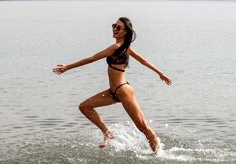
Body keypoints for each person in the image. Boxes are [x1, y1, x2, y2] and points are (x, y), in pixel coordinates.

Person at [53, 17, 171, 152]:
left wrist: (68, 67)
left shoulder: (117, 47)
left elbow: (92, 59)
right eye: (114, 26)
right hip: (113, 92)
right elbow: (143, 61)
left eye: (119, 27)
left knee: (143, 127)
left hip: (123, 90)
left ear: (126, 32)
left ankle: (159, 155)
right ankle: (107, 132)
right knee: (85, 107)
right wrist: (160, 73)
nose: (115, 29)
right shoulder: (125, 47)